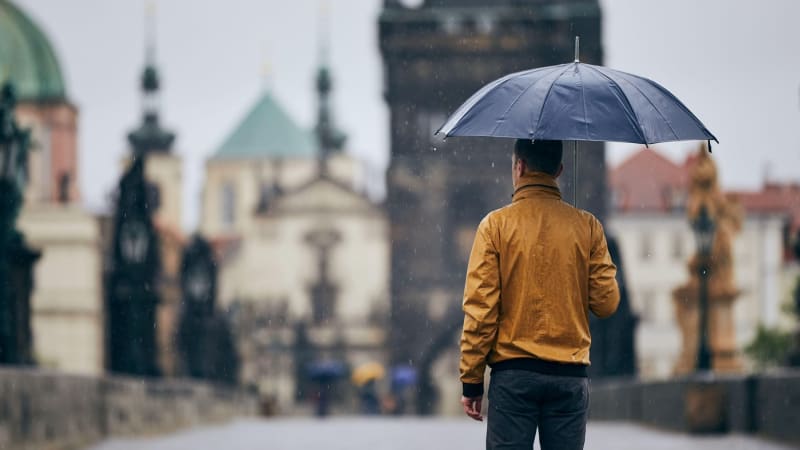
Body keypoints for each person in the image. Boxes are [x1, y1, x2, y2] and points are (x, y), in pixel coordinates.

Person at [459, 139, 620, 450]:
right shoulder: (588, 226)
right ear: (559, 170)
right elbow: (606, 303)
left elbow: (481, 310)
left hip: (514, 376)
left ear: (519, 167)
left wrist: (472, 380)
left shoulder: (495, 226)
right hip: (569, 376)